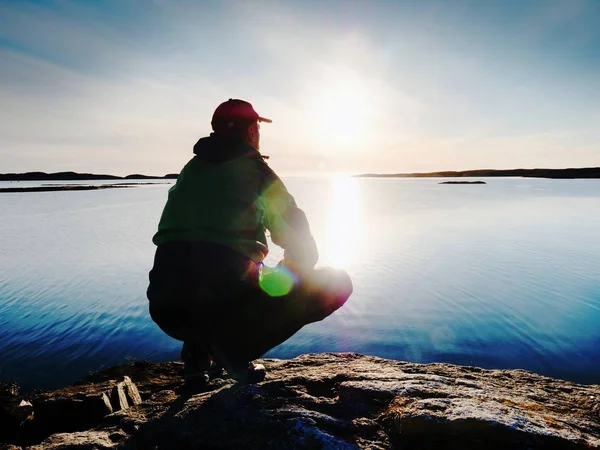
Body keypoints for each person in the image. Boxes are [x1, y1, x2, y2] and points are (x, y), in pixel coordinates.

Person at [147, 99, 353, 385]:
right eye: (257, 126)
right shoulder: (257, 174)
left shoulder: (191, 170)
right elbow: (303, 247)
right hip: (220, 301)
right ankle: (232, 353)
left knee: (203, 275)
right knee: (337, 282)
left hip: (165, 305)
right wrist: (284, 278)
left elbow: (186, 242)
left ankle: (197, 358)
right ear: (252, 131)